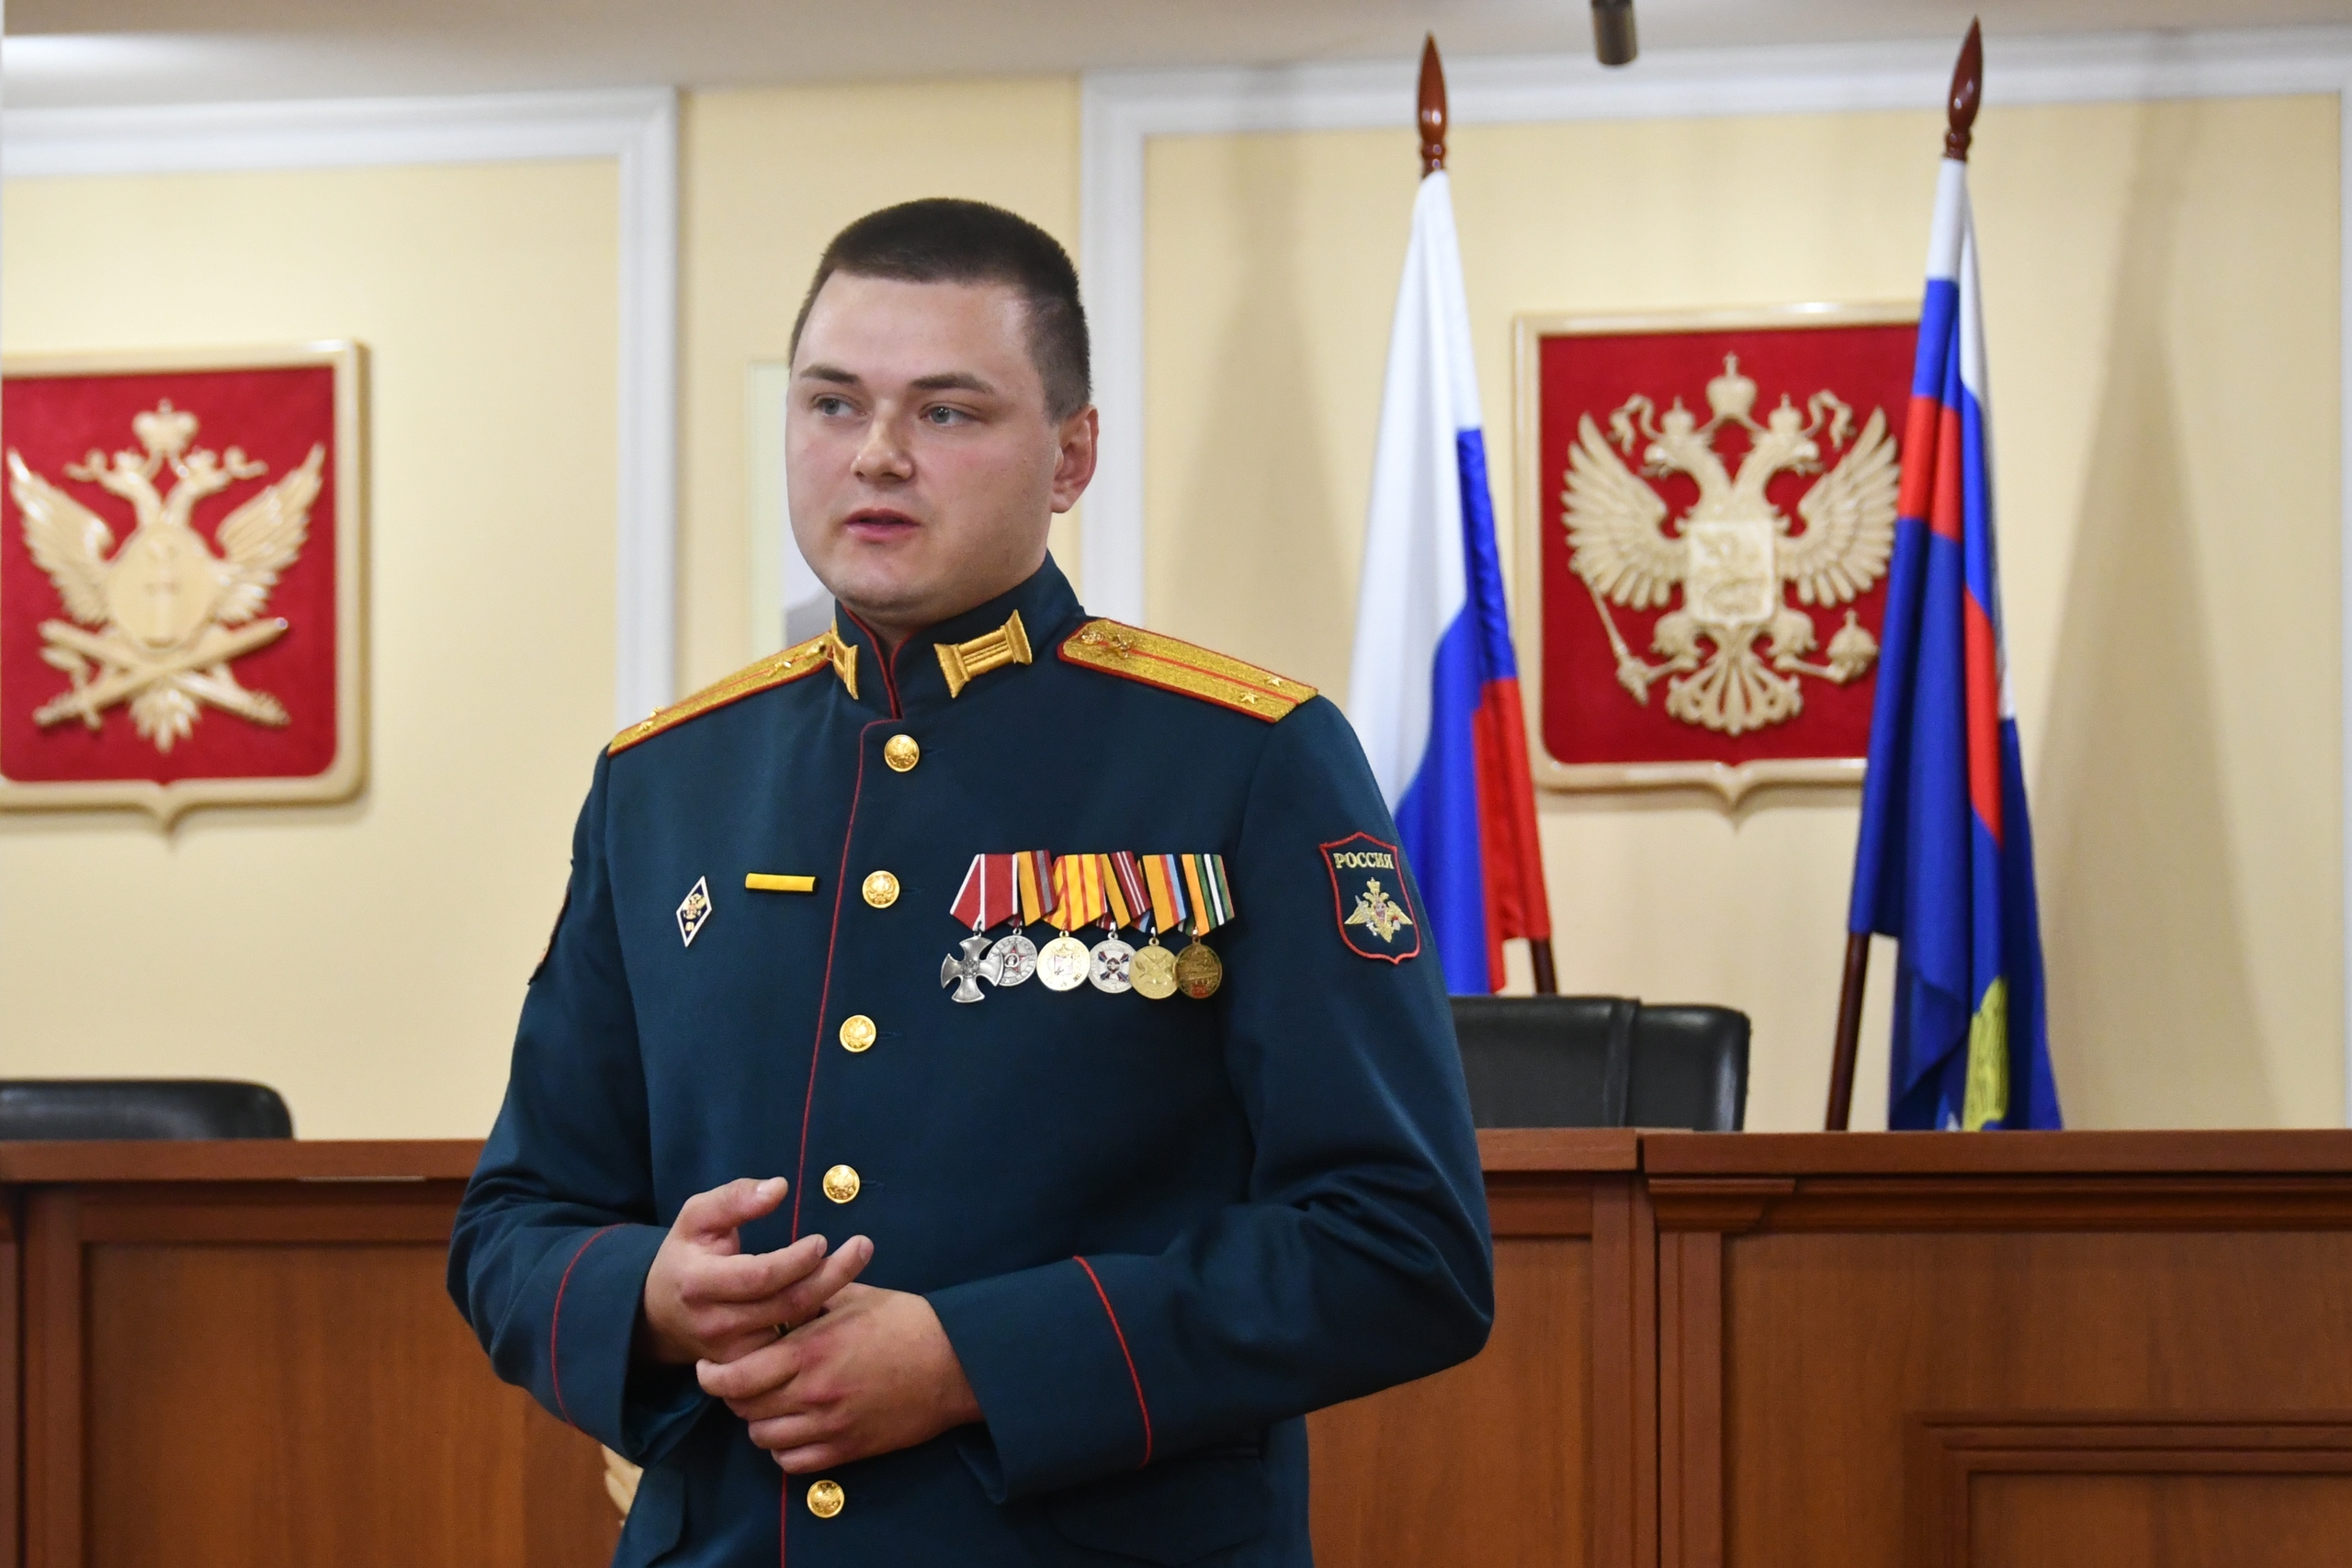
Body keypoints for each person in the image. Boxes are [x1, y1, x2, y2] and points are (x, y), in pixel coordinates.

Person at [449, 197, 1493, 1567]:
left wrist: (971, 1361)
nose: (876, 454)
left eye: (946, 412)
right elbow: (514, 1225)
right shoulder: (665, 782)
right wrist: (651, 1293)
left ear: (1073, 456)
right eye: (833, 403)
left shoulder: (1247, 758)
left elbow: (1401, 1248)